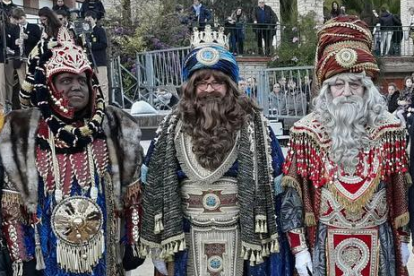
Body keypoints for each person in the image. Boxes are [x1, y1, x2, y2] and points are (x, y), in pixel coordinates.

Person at [140, 25, 293, 276]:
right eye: (201, 82)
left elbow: (276, 193)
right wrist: (158, 246)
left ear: (230, 85)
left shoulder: (256, 127)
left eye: (217, 82)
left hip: (244, 237)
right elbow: (154, 187)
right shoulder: (170, 127)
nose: (209, 89)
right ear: (190, 86)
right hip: (186, 237)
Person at [0, 27, 144, 276]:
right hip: (47, 258)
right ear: (48, 86)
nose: (76, 87)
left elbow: (134, 197)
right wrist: (22, 260)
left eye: (82, 79)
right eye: (66, 80)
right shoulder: (24, 131)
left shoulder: (115, 126)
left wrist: (134, 244)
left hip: (104, 256)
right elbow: (12, 209)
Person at [281, 16, 410, 276]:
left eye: (355, 84)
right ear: (327, 90)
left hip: (379, 242)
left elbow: (400, 192)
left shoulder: (390, 130)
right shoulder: (306, 132)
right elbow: (293, 200)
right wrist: (299, 249)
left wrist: (404, 239)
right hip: (324, 243)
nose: (347, 91)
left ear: (367, 89)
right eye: (338, 84)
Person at [11, 8, 41, 90]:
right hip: (19, 57)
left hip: (30, 57)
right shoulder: (14, 29)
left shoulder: (34, 27)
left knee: (31, 78)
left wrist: (28, 37)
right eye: (17, 19)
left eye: (21, 18)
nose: (19, 21)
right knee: (22, 80)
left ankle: (33, 98)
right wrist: (15, 43)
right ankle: (23, 100)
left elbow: (39, 41)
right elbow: (11, 45)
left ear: (25, 16)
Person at [84, 11, 109, 104]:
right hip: (88, 62)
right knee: (91, 85)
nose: (87, 22)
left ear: (94, 19)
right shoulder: (85, 32)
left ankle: (105, 104)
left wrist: (91, 45)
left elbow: (104, 44)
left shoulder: (99, 30)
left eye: (89, 19)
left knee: (102, 84)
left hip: (98, 61)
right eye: (86, 20)